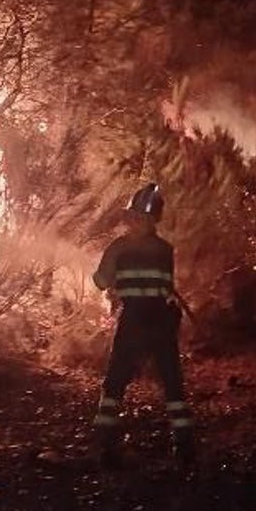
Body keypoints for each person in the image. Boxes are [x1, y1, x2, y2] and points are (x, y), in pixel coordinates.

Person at [91, 183, 193, 464]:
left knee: (115, 380)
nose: (132, 221)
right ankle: (184, 443)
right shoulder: (165, 249)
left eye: (135, 217)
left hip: (134, 319)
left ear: (141, 219)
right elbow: (165, 285)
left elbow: (101, 281)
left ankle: (105, 441)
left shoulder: (119, 247)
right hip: (161, 320)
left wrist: (110, 274)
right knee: (172, 380)